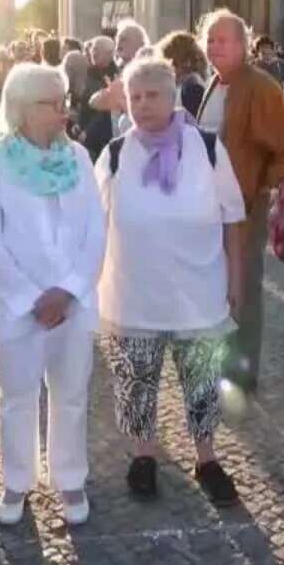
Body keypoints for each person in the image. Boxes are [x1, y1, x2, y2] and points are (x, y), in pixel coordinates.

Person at [94, 57, 245, 506]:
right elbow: (89, 220)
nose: (142, 105)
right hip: (133, 290)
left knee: (201, 378)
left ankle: (207, 457)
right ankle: (143, 454)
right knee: (136, 378)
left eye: (152, 95)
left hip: (198, 289)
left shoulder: (209, 148)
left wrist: (236, 279)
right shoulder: (117, 153)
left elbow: (233, 218)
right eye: (134, 96)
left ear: (173, 95)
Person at [0, 63, 104, 527]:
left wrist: (67, 290)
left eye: (64, 100)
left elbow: (96, 233)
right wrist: (33, 297)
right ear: (23, 109)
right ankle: (17, 481)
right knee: (18, 397)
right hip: (17, 306)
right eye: (53, 103)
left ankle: (70, 477)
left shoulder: (80, 159)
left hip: (75, 303)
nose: (64, 111)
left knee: (71, 394)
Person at [195, 10, 284, 393]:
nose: (215, 47)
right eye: (210, 40)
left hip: (242, 207)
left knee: (245, 286)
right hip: (210, 209)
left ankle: (242, 370)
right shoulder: (216, 84)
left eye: (223, 40)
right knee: (218, 284)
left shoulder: (258, 86)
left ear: (243, 45)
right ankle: (221, 361)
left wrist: (264, 186)